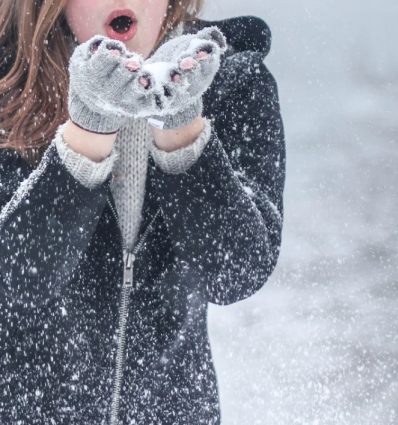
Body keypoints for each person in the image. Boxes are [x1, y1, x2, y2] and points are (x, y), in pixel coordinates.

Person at [0, 0, 285, 423]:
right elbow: (14, 283)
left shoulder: (233, 84)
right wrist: (88, 131)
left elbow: (236, 273)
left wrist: (183, 126)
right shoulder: (8, 87)